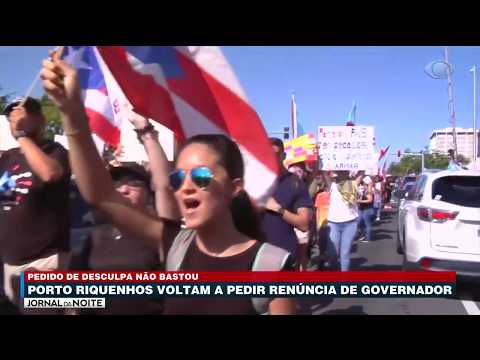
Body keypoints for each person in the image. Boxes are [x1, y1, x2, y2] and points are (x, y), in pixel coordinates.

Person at [41, 51, 296, 315]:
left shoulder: (270, 265)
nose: (185, 186)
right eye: (178, 177)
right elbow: (99, 194)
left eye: (201, 177)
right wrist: (72, 114)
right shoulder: (175, 246)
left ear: (235, 187)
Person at [0, 96, 71, 312]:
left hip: (44, 262)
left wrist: (22, 136)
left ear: (40, 120)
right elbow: (6, 201)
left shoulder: (55, 150)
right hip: (11, 265)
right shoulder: (7, 158)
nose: (18, 117)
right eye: (12, 113)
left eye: (25, 111)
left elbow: (49, 174)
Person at [262, 138, 313, 266]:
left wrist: (278, 209)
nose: (272, 158)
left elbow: (304, 224)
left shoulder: (295, 183)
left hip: (284, 254)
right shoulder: (255, 181)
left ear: (283, 156)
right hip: (258, 254)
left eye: (276, 154)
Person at [326, 170, 360, 271]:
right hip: (333, 224)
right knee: (332, 253)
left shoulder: (352, 184)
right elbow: (323, 172)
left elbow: (362, 172)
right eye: (338, 171)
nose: (340, 173)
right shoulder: (331, 185)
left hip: (350, 223)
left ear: (347, 173)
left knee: (345, 253)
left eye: (343, 171)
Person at [357, 176, 375, 243]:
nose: (362, 184)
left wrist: (359, 201)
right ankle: (363, 235)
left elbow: (370, 200)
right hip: (362, 208)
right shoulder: (364, 190)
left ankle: (368, 238)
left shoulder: (369, 191)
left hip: (367, 209)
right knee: (359, 222)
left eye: (364, 183)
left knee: (367, 224)